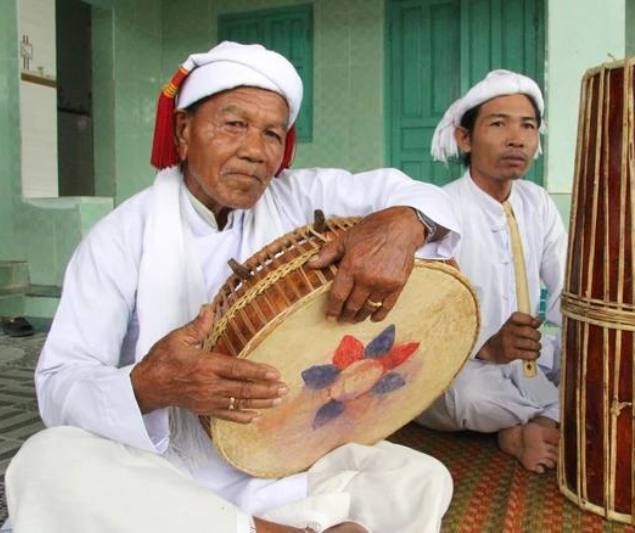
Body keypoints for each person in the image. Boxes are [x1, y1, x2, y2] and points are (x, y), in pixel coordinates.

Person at [5, 42, 461, 533]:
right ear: (184, 131)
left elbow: (420, 196)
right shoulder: (120, 237)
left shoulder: (301, 198)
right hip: (164, 470)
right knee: (48, 461)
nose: (254, 150)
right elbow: (59, 382)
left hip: (284, 458)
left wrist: (405, 223)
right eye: (234, 124)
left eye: (271, 133)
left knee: (420, 476)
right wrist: (147, 386)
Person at [416, 70, 566, 474]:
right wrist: (487, 347)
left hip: (528, 359)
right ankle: (536, 422)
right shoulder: (439, 210)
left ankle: (522, 425)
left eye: (528, 126)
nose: (517, 138)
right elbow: (418, 323)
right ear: (465, 138)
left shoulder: (538, 203)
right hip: (460, 367)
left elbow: (566, 289)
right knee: (467, 397)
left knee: (601, 369)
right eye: (499, 124)